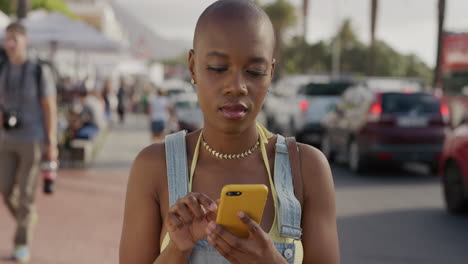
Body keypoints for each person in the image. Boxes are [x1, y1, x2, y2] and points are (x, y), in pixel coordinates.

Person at [119, 1, 340, 263]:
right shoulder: (154, 167)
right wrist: (178, 248)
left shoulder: (307, 168)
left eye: (255, 71)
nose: (237, 86)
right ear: (192, 67)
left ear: (270, 72)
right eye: (217, 68)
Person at [0, 22, 58, 263]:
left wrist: (51, 143)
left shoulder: (38, 70)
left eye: (15, 38)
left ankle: (21, 243)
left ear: (25, 41)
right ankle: (28, 216)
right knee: (5, 189)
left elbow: (49, 107)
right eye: (7, 39)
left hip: (33, 139)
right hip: (7, 139)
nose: (10, 43)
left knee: (25, 193)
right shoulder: (2, 68)